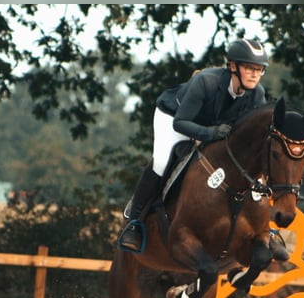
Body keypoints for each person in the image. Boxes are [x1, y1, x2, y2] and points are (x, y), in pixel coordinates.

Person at [117, 38, 275, 254]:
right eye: (249, 68)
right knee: (162, 163)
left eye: (259, 70)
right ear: (232, 67)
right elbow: (180, 123)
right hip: (174, 117)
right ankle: (135, 222)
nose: (255, 74)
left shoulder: (257, 94)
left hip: (212, 124)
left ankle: (264, 229)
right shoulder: (205, 82)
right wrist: (210, 134)